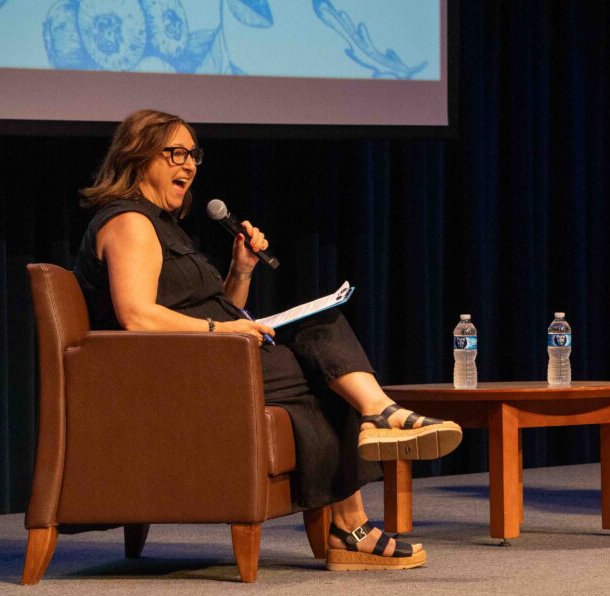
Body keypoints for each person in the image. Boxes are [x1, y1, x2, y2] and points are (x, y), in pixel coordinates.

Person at [74, 109, 463, 569]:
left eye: (193, 155)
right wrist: (225, 330)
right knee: (324, 371)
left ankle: (375, 422)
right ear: (137, 157)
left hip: (209, 357)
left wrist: (240, 271)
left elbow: (214, 308)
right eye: (175, 153)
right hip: (173, 375)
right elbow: (137, 316)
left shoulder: (164, 225)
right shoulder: (129, 223)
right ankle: (357, 497)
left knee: (323, 328)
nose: (189, 165)